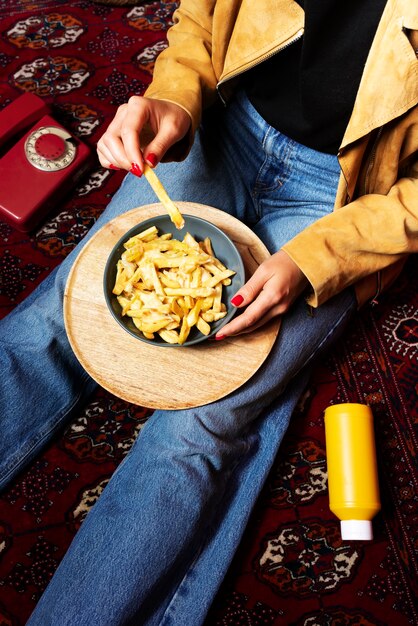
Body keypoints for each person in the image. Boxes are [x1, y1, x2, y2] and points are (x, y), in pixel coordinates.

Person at [1, 0, 417, 624]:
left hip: (348, 201)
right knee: (56, 321)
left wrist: (318, 259)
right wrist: (174, 97)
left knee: (205, 425)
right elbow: (201, 19)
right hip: (227, 122)